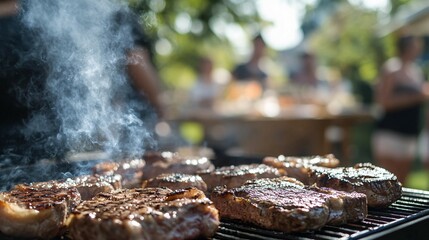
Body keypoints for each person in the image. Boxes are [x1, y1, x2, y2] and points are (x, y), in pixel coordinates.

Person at [0, 0, 163, 163]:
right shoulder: (42, 14)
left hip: (41, 143)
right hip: (41, 143)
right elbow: (136, 61)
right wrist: (161, 107)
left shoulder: (44, 13)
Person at [372, 35, 429, 184]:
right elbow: (383, 102)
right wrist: (416, 97)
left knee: (402, 183)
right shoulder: (392, 69)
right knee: (385, 182)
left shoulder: (415, 71)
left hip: (409, 133)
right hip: (391, 133)